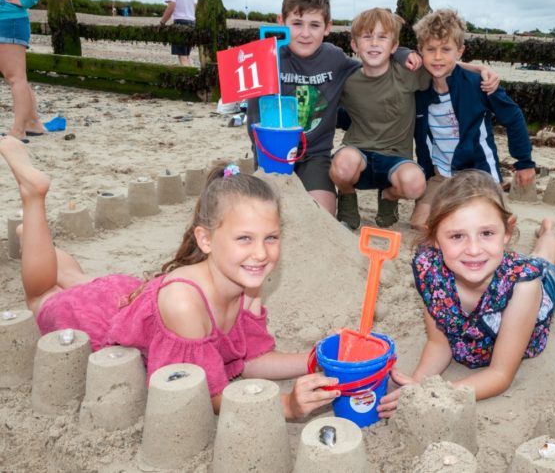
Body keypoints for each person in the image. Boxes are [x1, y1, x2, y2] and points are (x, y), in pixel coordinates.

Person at [0, 135, 339, 418]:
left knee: (77, 277)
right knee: (41, 296)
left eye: (271, 238)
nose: (262, 253)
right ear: (206, 240)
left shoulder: (247, 279)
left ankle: (36, 237)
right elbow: (204, 395)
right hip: (100, 318)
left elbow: (248, 360)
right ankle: (33, 198)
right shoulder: (185, 306)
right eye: (244, 239)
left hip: (126, 295)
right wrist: (287, 406)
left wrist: (320, 359)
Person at [377, 170, 555, 417]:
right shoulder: (433, 273)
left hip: (537, 290)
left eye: (487, 233)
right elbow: (439, 343)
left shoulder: (524, 285)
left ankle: (549, 232)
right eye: (456, 236)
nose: (473, 250)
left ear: (507, 232)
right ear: (434, 238)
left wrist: (437, 394)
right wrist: (418, 383)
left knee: (544, 260)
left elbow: (500, 374)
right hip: (500, 273)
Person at [245, 0, 421, 216]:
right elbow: (253, 120)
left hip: (314, 156)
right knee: (267, 214)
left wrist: (401, 53)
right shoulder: (264, 56)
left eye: (314, 25)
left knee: (323, 217)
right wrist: (264, 160)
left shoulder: (334, 59)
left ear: (327, 27)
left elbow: (370, 62)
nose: (305, 33)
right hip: (272, 155)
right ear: (281, 22)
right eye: (297, 23)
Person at [331, 8, 499, 229]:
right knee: (343, 165)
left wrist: (480, 69)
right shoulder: (347, 78)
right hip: (358, 152)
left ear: (393, 46)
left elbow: (440, 64)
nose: (374, 43)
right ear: (354, 45)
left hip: (395, 158)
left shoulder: (408, 73)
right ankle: (347, 197)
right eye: (366, 36)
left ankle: (389, 197)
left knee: (415, 184)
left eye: (382, 37)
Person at [410, 9, 536, 230]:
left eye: (446, 49)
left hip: (480, 172)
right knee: (420, 224)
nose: (438, 57)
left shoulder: (479, 83)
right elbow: (390, 60)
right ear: (420, 51)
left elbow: (513, 117)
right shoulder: (417, 86)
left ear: (460, 51)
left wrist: (524, 162)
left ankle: (539, 229)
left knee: (482, 226)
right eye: (431, 49)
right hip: (441, 174)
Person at [0, 0, 47, 140]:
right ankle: (33, 123)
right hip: (7, 20)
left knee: (15, 77)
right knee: (16, 77)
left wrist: (27, 0)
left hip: (8, 21)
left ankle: (18, 131)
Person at [160, 0, 196, 66]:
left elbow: (171, 6)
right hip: (192, 22)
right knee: (187, 55)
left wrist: (162, 22)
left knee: (182, 56)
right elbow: (195, 5)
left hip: (180, 23)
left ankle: (188, 78)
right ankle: (193, 76)